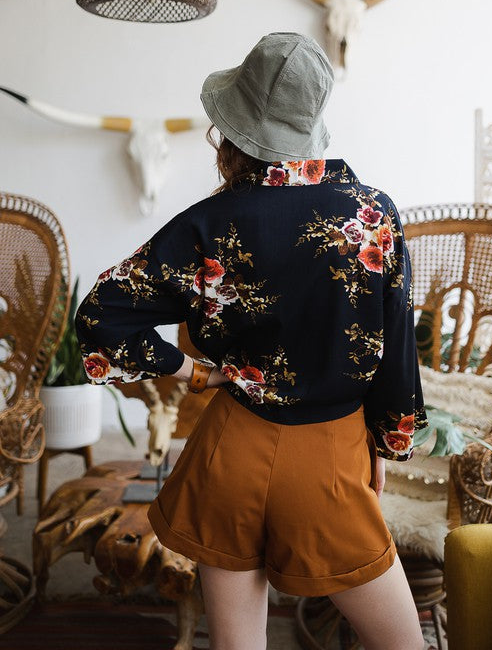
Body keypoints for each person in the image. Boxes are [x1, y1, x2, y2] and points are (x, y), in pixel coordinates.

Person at [75, 32, 428, 650]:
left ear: (232, 131)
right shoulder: (372, 217)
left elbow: (101, 316)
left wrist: (192, 373)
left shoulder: (207, 225)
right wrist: (385, 441)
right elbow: (396, 351)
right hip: (331, 462)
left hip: (228, 451)